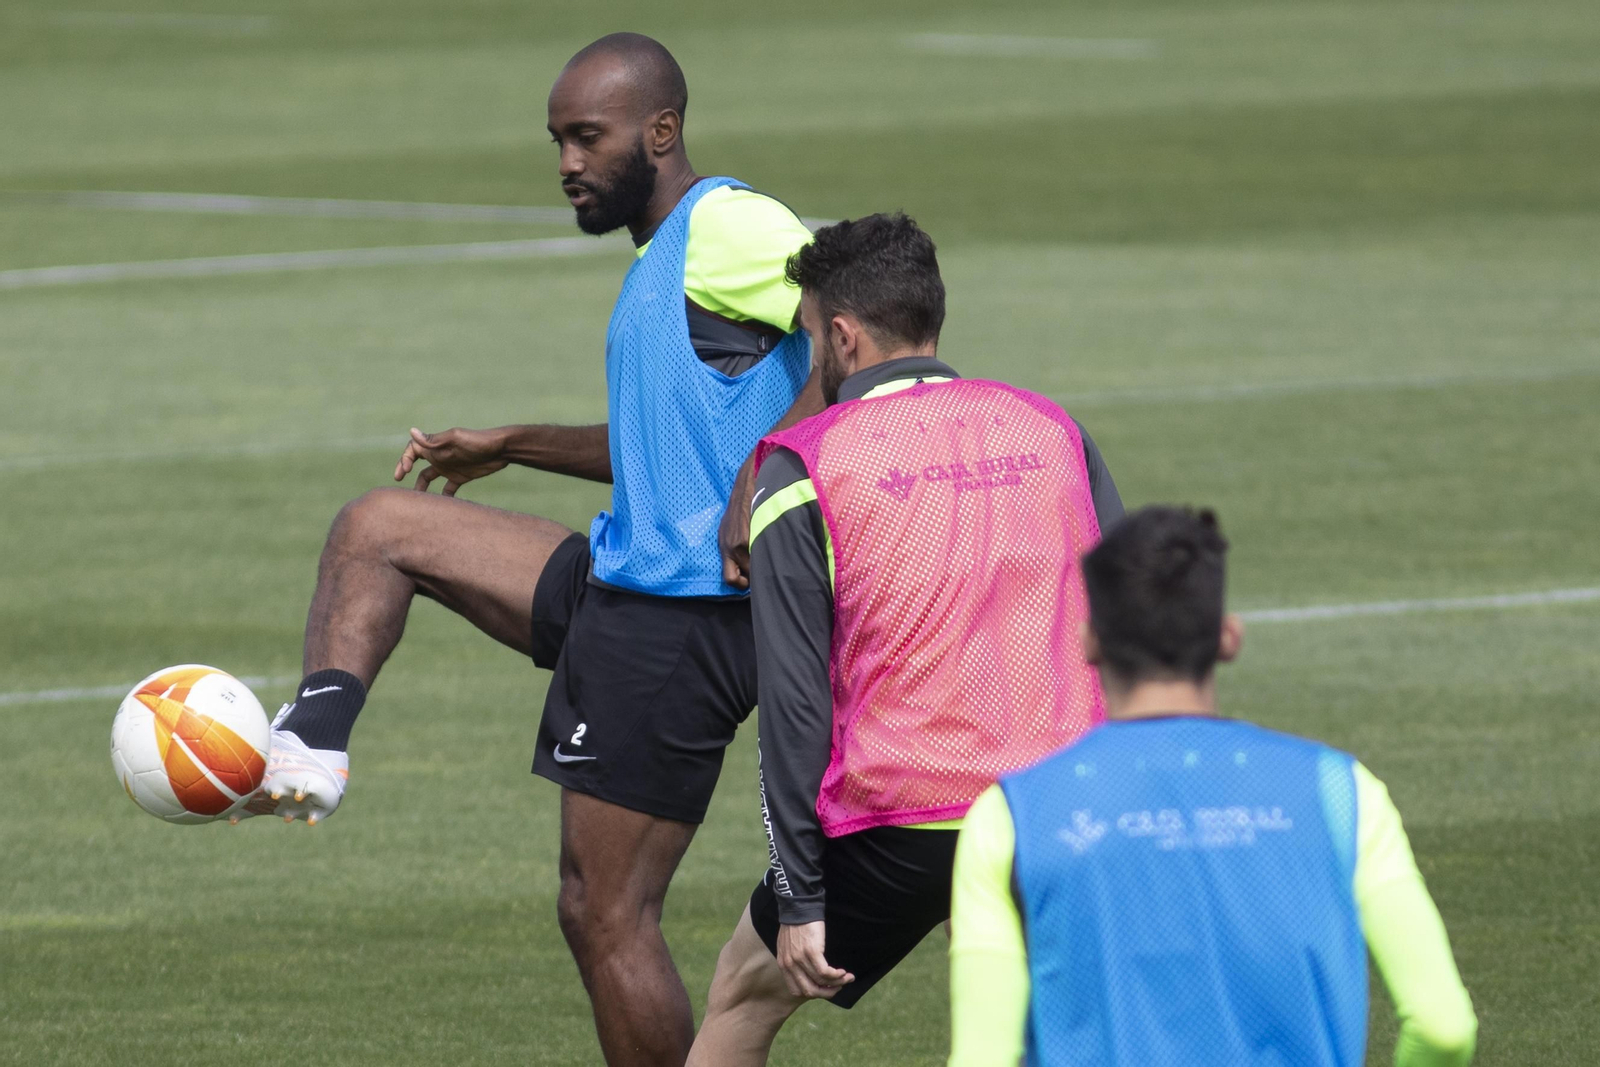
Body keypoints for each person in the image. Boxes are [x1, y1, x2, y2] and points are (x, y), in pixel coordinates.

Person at [235, 33, 824, 1067]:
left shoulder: (726, 224)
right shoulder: (665, 261)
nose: (565, 164)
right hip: (631, 575)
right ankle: (313, 739)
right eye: (556, 140)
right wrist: (515, 445)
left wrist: (767, 473)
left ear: (661, 131)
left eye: (586, 138)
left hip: (684, 616)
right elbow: (668, 446)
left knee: (605, 912)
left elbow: (854, 314)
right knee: (382, 525)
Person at [686, 212, 1125, 1065]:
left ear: (842, 336)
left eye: (811, 336)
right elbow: (1129, 630)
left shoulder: (803, 464)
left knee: (743, 992)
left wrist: (800, 892)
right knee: (1061, 1025)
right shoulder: (1052, 429)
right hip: (1058, 807)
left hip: (897, 824)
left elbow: (794, 701)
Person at [947, 506, 1479, 1067]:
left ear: (1089, 643)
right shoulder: (1342, 792)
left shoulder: (1012, 815)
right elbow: (1444, 1028)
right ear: (1228, 637)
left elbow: (985, 1057)